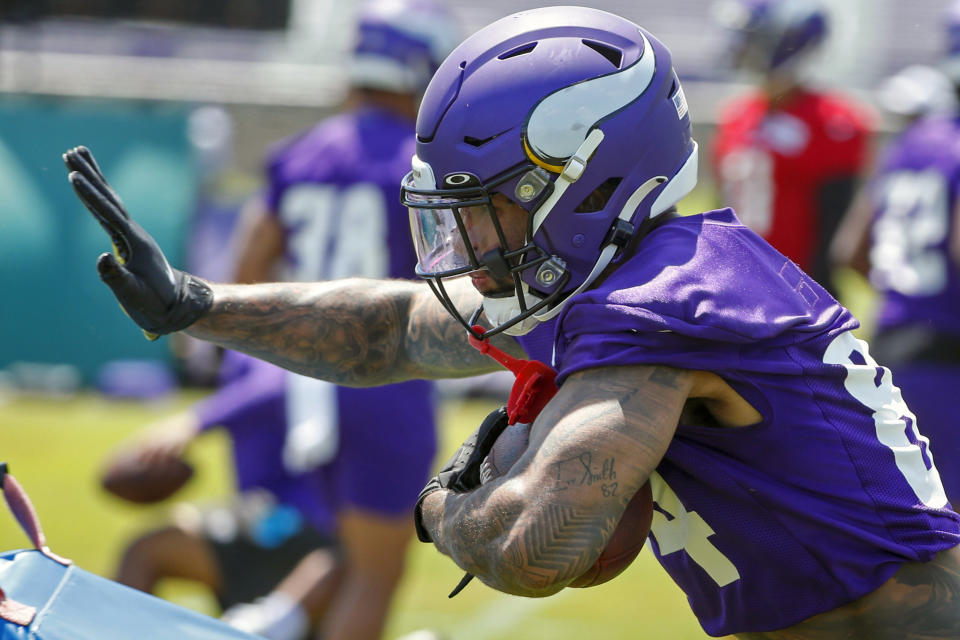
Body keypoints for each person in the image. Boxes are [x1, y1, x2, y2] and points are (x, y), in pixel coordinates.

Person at [64, 5, 960, 639]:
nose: (463, 236)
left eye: (489, 204)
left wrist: (438, 507)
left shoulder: (672, 303)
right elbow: (392, 328)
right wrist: (200, 304)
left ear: (591, 178)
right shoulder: (611, 272)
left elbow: (539, 545)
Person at [195, 1, 459, 639]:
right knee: (372, 572)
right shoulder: (422, 165)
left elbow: (248, 270)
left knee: (313, 550)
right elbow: (458, 279)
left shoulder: (301, 154)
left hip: (294, 375)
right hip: (384, 377)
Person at [110, 350, 338, 640]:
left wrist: (193, 422)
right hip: (280, 516)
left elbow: (272, 383)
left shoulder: (256, 334)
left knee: (146, 551)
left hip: (297, 519)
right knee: (148, 550)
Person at [829, 8, 960, 506]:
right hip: (950, 363)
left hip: (893, 352)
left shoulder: (914, 140)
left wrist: (913, 294)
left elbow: (852, 251)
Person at [710, 0, 872, 295]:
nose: (744, 47)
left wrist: (815, 295)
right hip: (733, 281)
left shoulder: (833, 121)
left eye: (754, 38)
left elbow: (833, 224)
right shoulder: (736, 115)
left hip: (797, 289)